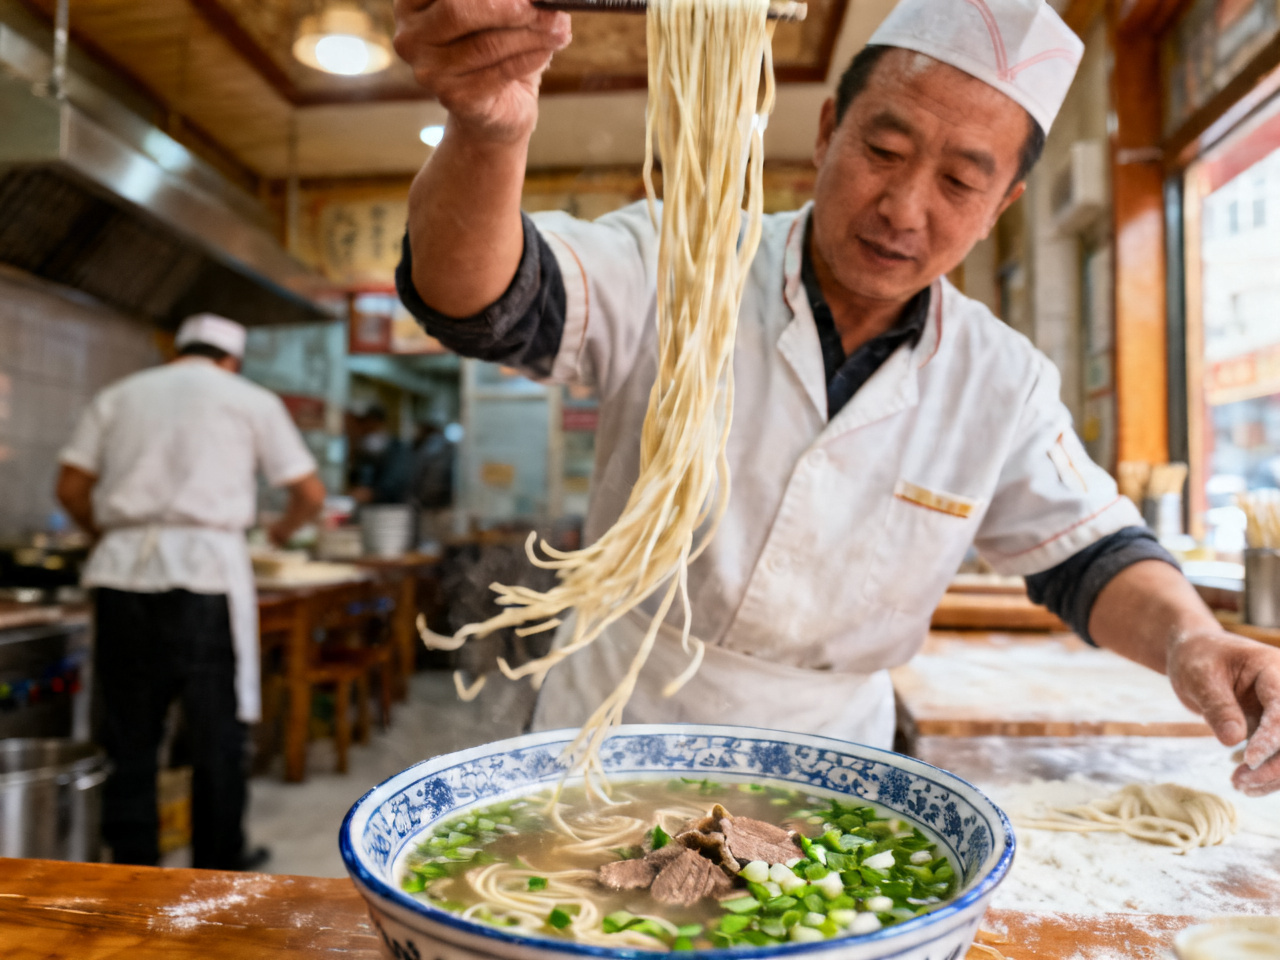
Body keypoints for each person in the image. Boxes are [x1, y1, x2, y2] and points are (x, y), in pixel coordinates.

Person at [391, 0, 1280, 796]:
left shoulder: (998, 379)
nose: (902, 206)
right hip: (614, 729)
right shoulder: (683, 256)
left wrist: (1189, 637)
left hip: (831, 770)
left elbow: (1089, 553)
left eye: (959, 182)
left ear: (1001, 205)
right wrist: (489, 133)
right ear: (825, 132)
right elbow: (489, 302)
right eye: (882, 151)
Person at [55, 314, 326, 869]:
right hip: (205, 577)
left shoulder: (120, 394)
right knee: (215, 734)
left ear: (176, 350)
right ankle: (219, 862)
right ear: (233, 359)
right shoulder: (249, 399)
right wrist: (279, 532)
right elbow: (311, 493)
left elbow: (71, 487)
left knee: (128, 733)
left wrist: (108, 536)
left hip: (122, 576)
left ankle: (132, 865)